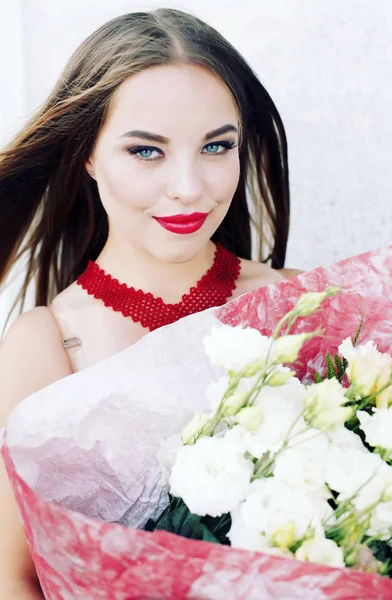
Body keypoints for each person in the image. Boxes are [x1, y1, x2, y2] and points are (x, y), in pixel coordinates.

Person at [0, 8, 302, 598]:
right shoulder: (47, 345)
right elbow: (10, 575)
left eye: (217, 147)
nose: (189, 186)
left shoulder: (301, 301)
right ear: (87, 153)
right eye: (146, 151)